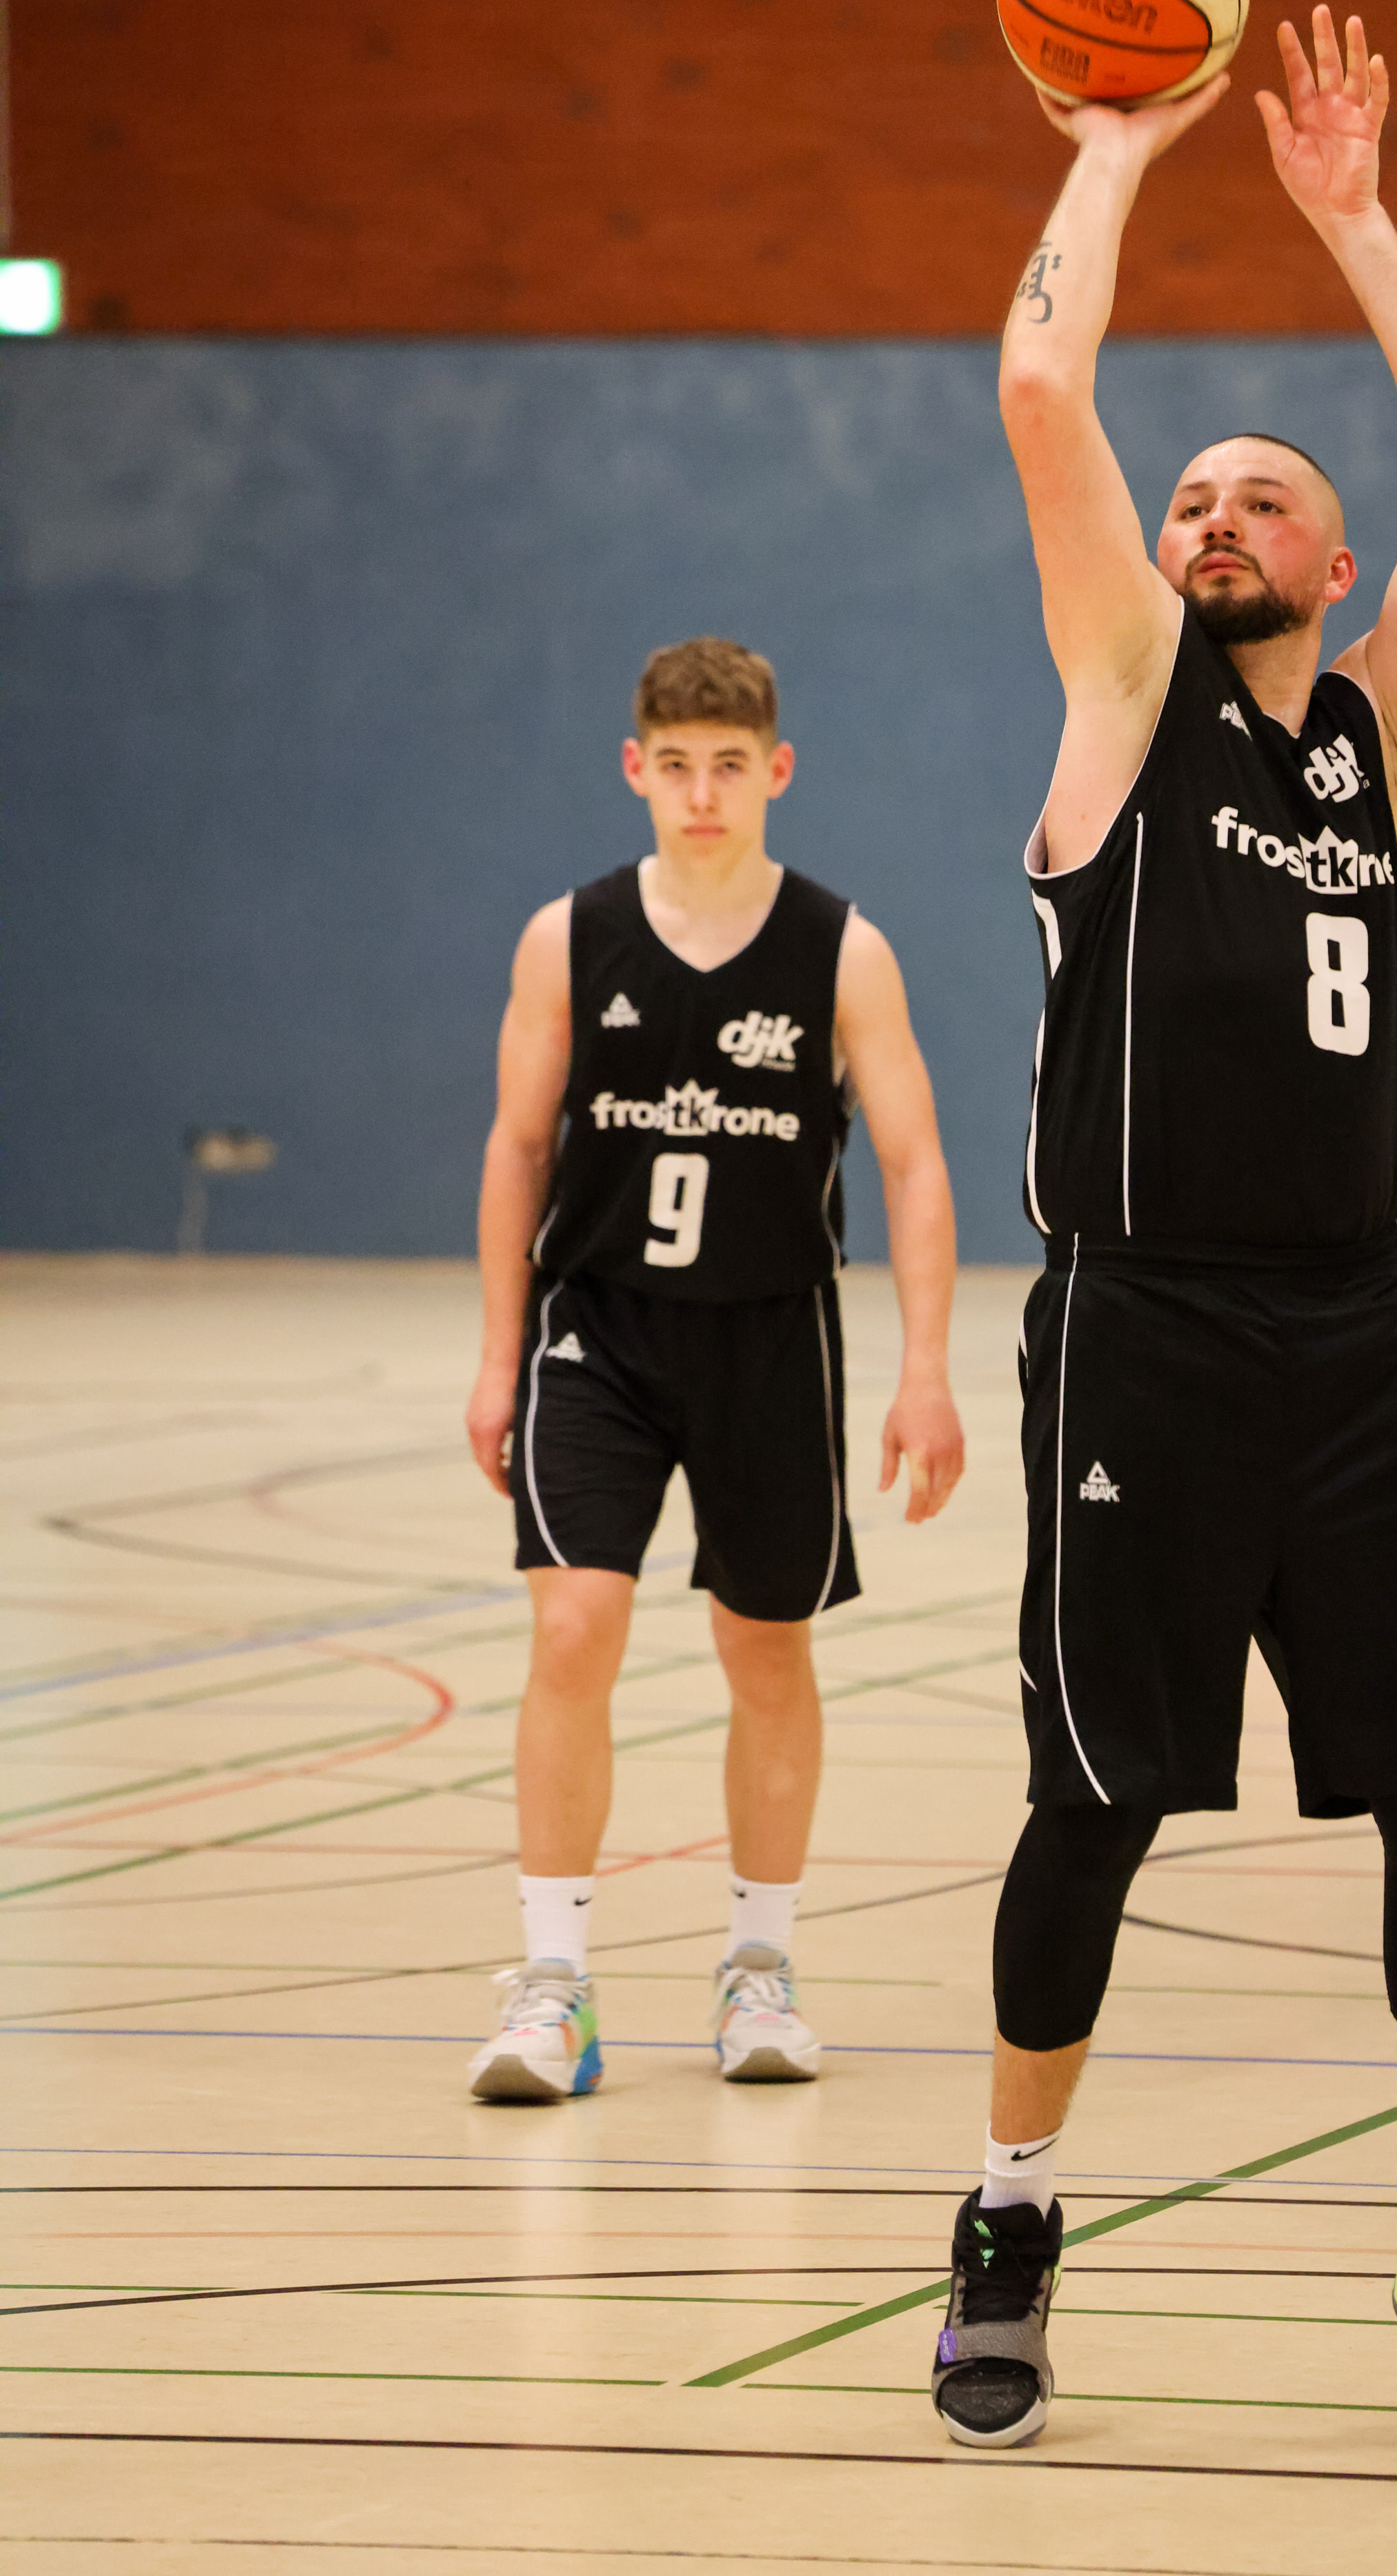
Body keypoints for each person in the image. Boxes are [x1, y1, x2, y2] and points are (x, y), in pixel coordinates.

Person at [927, 10, 1397, 2464]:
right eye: (1189, 497)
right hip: (1142, 1322)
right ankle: (1007, 2216)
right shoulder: (1122, 690)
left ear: (1329, 565)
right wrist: (1114, 148)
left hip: (1356, 1329)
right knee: (1097, 1797)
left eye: (1260, 500)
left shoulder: (1374, 738)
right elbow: (1037, 386)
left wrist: (1355, 220)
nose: (1209, 518)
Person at [464, 635, 964, 2101]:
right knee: (573, 1627)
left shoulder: (841, 950)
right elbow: (517, 1148)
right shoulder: (566, 938)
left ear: (775, 771)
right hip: (599, 1329)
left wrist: (925, 1369)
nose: (700, 794)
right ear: (636, 768)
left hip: (769, 1333)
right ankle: (553, 1984)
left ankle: (760, 1964)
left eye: (728, 767)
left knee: (766, 1648)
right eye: (674, 766)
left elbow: (915, 1163)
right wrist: (496, 1356)